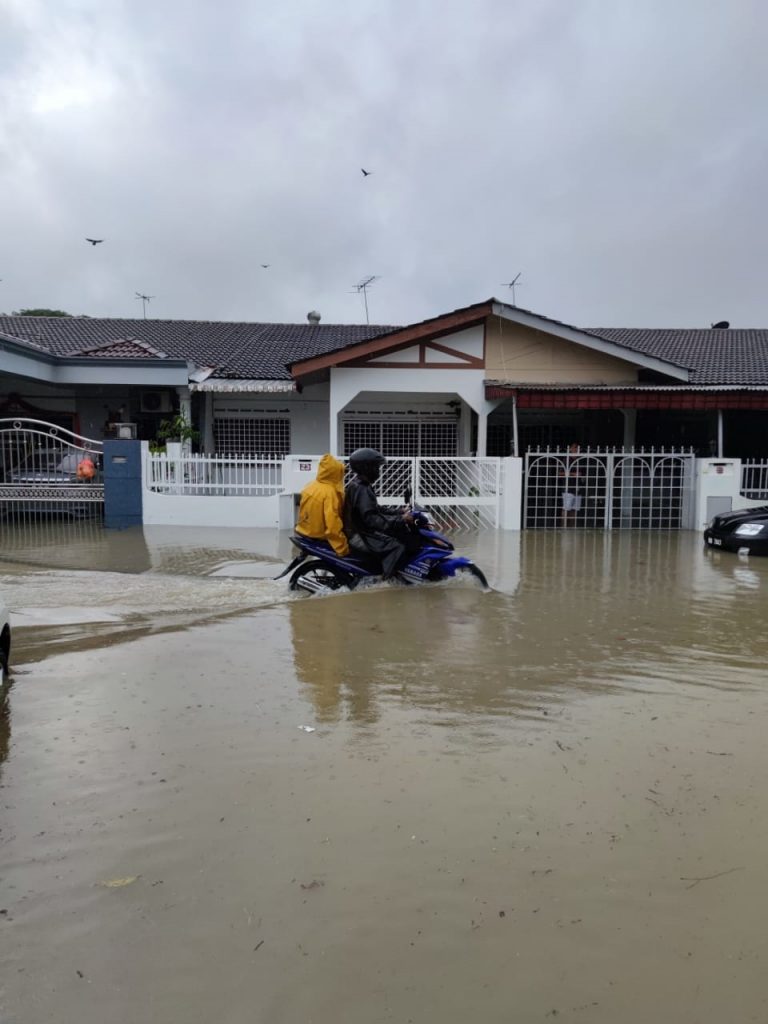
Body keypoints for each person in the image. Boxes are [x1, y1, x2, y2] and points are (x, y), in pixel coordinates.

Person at [343, 448, 418, 579]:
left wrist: (400, 512)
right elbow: (371, 519)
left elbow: (376, 509)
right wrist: (400, 520)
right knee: (397, 546)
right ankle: (386, 582)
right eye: (376, 467)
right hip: (360, 534)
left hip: (360, 531)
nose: (378, 471)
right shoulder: (361, 488)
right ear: (367, 468)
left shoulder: (360, 485)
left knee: (395, 536)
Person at [295, 454, 349, 556]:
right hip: (319, 534)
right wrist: (342, 547)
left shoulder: (310, 486)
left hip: (305, 530)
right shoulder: (330, 493)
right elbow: (332, 523)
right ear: (335, 472)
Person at [560, 442, 583, 526]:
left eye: (577, 448)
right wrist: (573, 474)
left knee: (575, 509)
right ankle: (564, 526)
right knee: (566, 508)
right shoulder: (566, 459)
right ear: (570, 449)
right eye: (574, 448)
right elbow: (560, 473)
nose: (575, 449)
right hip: (568, 487)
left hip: (578, 488)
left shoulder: (580, 460)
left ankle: (572, 527)